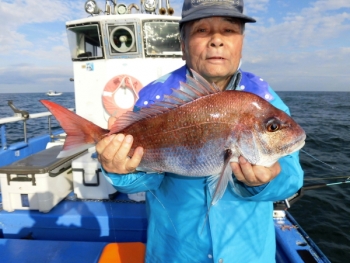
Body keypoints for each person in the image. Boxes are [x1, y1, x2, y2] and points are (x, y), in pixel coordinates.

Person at [96, 0, 304, 262]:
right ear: (183, 45)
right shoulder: (154, 99)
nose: (217, 40)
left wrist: (269, 179)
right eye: (202, 31)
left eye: (229, 31)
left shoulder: (264, 100)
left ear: (241, 43)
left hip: (247, 253)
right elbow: (146, 180)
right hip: (177, 252)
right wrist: (119, 170)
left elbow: (292, 177)